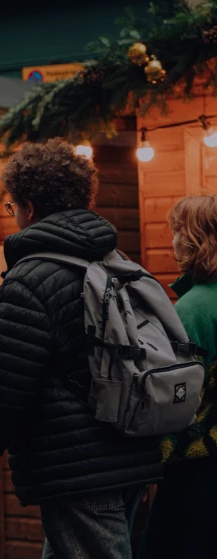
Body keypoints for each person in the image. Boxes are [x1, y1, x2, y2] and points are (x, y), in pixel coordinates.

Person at [0, 139, 163, 559]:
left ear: (28, 204)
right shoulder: (114, 259)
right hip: (129, 451)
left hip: (78, 469)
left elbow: (3, 388)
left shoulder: (30, 279)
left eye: (12, 208)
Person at [137, 194, 217, 558]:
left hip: (197, 469)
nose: (171, 240)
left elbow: (174, 397)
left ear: (193, 239)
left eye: (176, 230)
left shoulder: (193, 309)